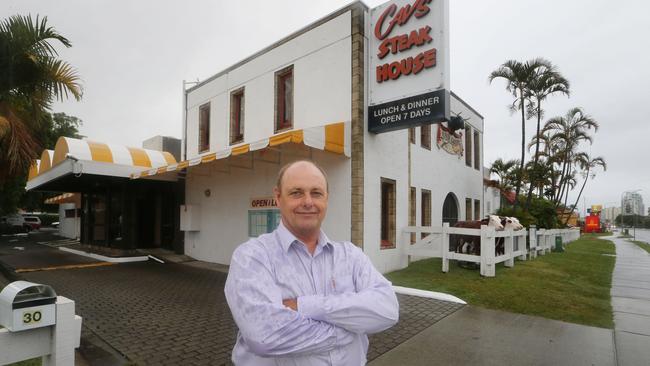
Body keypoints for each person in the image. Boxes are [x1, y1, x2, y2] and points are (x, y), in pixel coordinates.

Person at [225, 160, 399, 365]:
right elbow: (265, 335)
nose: (308, 202)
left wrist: (304, 305)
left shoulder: (351, 256)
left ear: (327, 198)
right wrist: (350, 330)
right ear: (278, 197)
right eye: (296, 192)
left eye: (316, 193)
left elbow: (387, 308)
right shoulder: (252, 257)